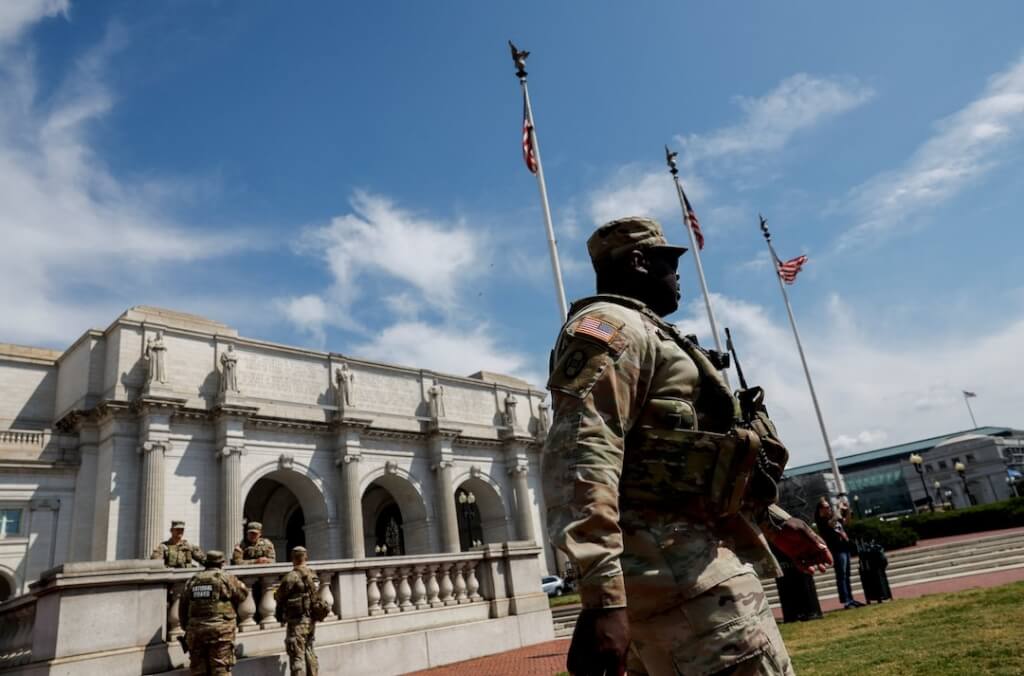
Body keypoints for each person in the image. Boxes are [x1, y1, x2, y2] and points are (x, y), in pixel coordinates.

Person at [543, 216, 833, 675]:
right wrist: (601, 601)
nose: (678, 275)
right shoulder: (610, 328)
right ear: (638, 261)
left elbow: (679, 465)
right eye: (668, 262)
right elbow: (581, 457)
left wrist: (771, 521)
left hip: (688, 577)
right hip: (685, 591)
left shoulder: (648, 332)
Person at [179, 550, 249, 675]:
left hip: (195, 631)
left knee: (198, 670)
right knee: (220, 669)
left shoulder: (193, 580)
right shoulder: (226, 578)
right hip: (220, 631)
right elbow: (243, 594)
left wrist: (186, 627)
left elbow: (183, 606)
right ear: (222, 563)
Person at [275, 546, 321, 676]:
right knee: (309, 650)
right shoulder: (313, 574)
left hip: (297, 622)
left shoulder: (291, 576)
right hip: (310, 620)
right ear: (306, 557)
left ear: (292, 558)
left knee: (297, 656)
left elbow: (279, 596)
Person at [814, 496, 863, 610]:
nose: (829, 508)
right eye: (826, 507)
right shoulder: (822, 520)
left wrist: (848, 510)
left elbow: (846, 522)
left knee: (847, 575)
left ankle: (851, 599)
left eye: (829, 506)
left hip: (844, 547)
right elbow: (832, 523)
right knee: (841, 575)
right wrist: (838, 508)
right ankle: (846, 601)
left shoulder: (833, 517)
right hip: (836, 550)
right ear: (821, 510)